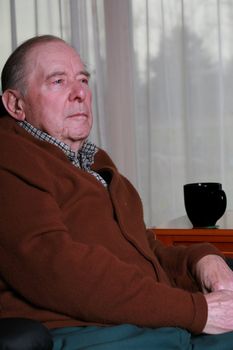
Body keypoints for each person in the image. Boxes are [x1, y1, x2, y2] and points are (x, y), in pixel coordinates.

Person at [1, 35, 233, 350]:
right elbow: (61, 270)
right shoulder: (11, 156)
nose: (79, 92)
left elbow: (143, 251)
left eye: (83, 79)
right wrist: (198, 311)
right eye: (58, 81)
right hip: (88, 330)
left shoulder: (95, 162)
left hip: (150, 322)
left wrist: (201, 258)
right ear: (16, 104)